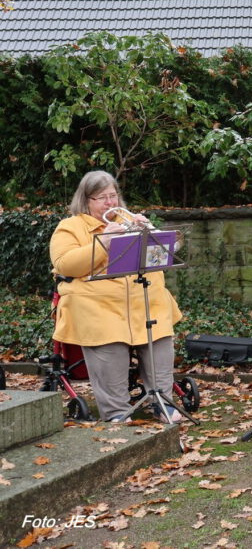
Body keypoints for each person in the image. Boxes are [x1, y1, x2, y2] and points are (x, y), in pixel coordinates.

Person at [49, 170, 183, 423]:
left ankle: (162, 403)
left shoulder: (129, 221)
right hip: (99, 305)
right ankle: (117, 411)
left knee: (160, 347)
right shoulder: (70, 227)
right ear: (86, 200)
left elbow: (161, 258)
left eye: (113, 196)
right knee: (109, 351)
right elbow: (65, 264)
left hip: (145, 300)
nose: (111, 203)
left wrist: (150, 234)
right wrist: (104, 242)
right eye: (102, 198)